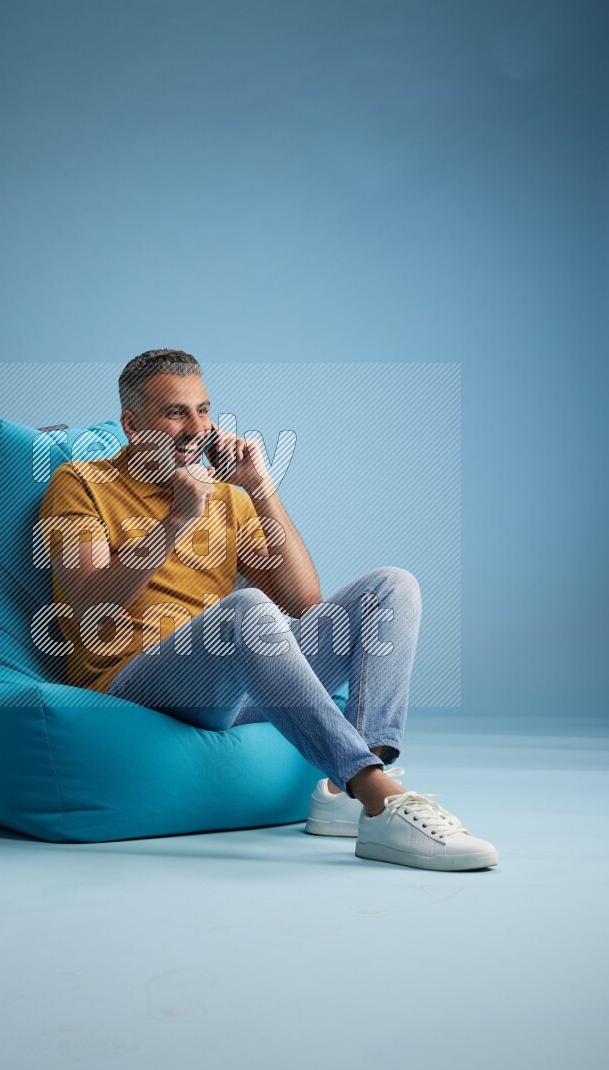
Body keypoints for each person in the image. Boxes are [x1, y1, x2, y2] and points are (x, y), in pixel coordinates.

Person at [37, 348, 498, 872]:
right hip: (134, 682)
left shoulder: (227, 497)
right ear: (131, 423)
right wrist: (177, 521)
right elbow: (90, 604)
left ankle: (346, 792)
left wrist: (260, 489)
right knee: (247, 610)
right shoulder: (82, 482)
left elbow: (304, 602)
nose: (196, 428)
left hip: (231, 683)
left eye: (204, 410)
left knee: (391, 587)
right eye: (175, 413)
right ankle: (379, 795)